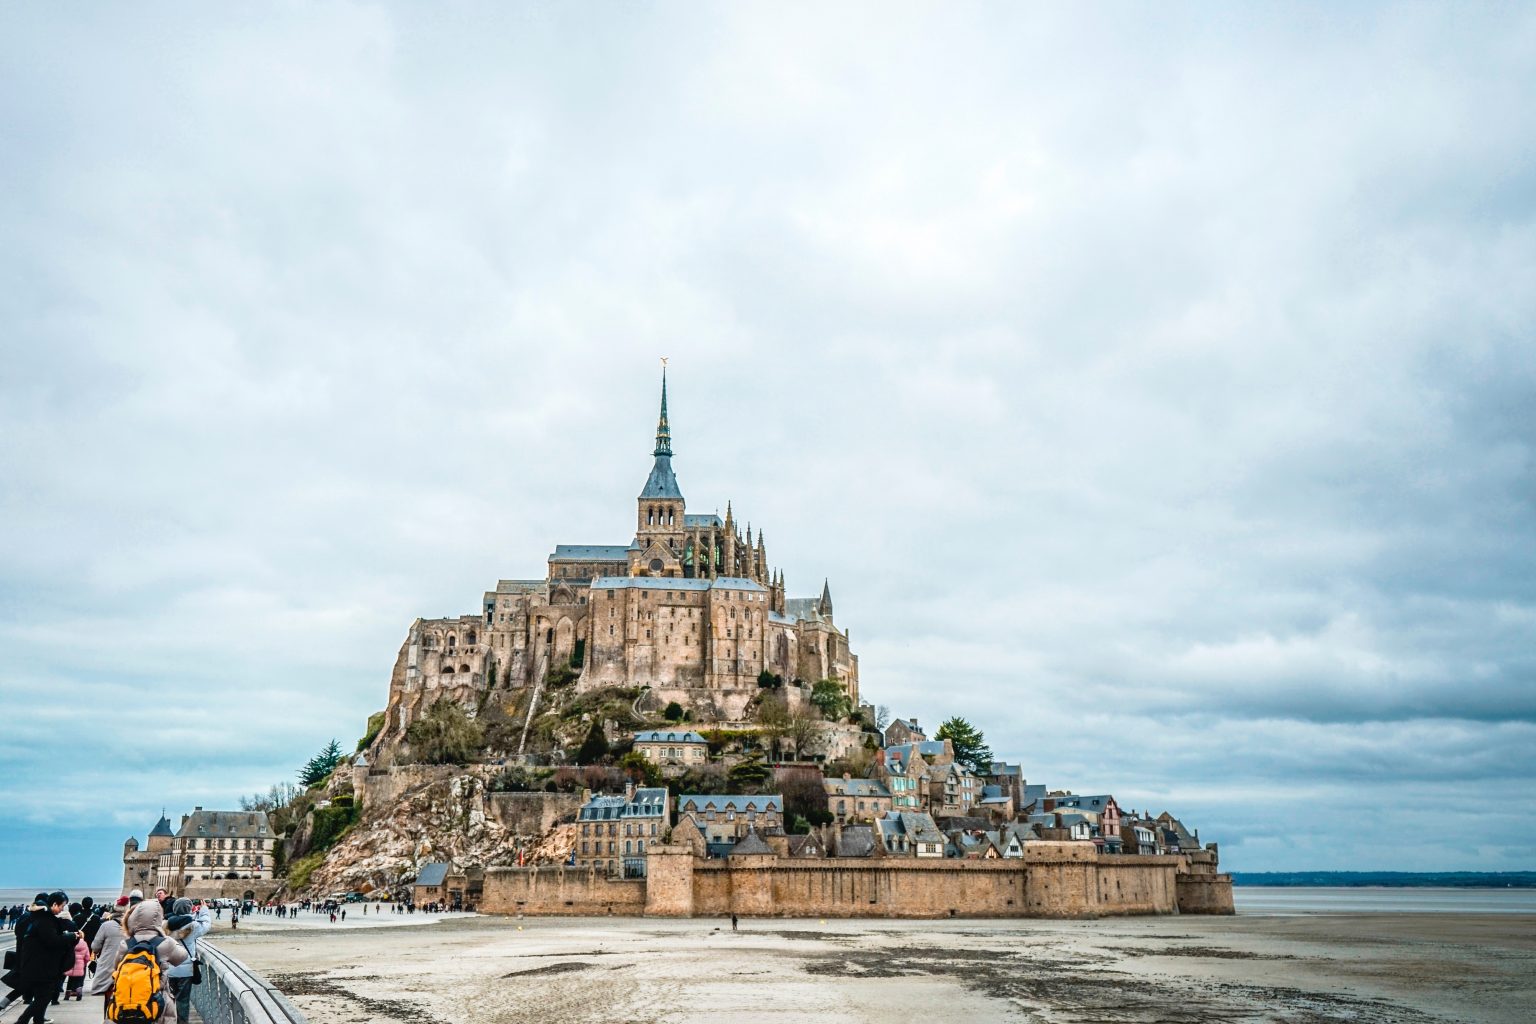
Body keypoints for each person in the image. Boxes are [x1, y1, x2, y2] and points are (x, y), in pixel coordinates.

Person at [10, 891, 81, 1024]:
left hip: (37, 964)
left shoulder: (41, 917)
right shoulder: (46, 919)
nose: (62, 909)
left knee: (42, 995)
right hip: (41, 966)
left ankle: (36, 1020)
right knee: (44, 997)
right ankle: (22, 1020)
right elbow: (52, 940)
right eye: (61, 906)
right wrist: (71, 936)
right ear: (54, 904)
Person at [121, 898, 189, 1024]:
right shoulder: (165, 943)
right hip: (157, 997)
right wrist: (167, 936)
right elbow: (182, 957)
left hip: (128, 998)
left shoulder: (125, 944)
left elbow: (116, 967)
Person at [163, 899, 210, 1023]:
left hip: (168, 969)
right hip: (185, 970)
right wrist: (204, 910)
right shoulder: (193, 926)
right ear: (189, 909)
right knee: (182, 1002)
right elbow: (206, 924)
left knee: (167, 1000)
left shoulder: (165, 925)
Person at [89, 906, 126, 1017]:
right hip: (126, 966)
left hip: (108, 965)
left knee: (107, 995)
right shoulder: (131, 926)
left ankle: (107, 1016)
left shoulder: (106, 926)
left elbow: (95, 946)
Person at [64, 929, 89, 1001]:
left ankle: (67, 995)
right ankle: (79, 995)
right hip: (80, 964)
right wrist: (84, 963)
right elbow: (87, 956)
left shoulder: (70, 942)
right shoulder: (84, 943)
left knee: (70, 980)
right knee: (79, 980)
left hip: (71, 963)